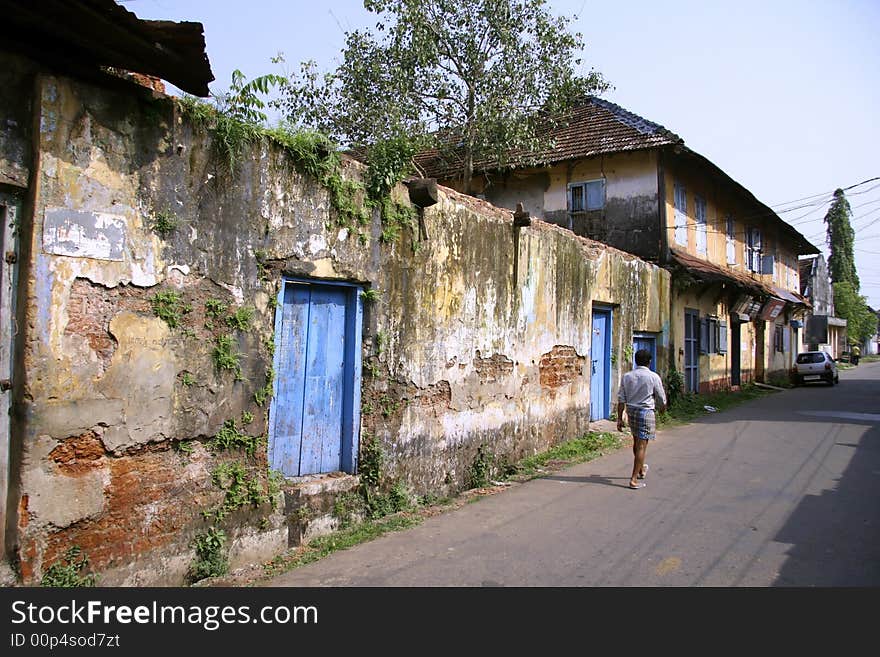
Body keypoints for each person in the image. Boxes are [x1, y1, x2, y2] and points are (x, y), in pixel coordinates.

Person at [616, 349, 667, 490]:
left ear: (636, 360)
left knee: (636, 441)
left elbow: (621, 399)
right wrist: (662, 409)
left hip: (631, 411)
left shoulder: (627, 376)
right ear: (649, 361)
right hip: (645, 412)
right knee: (642, 445)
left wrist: (619, 418)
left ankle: (640, 470)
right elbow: (661, 398)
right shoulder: (653, 377)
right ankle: (633, 479)